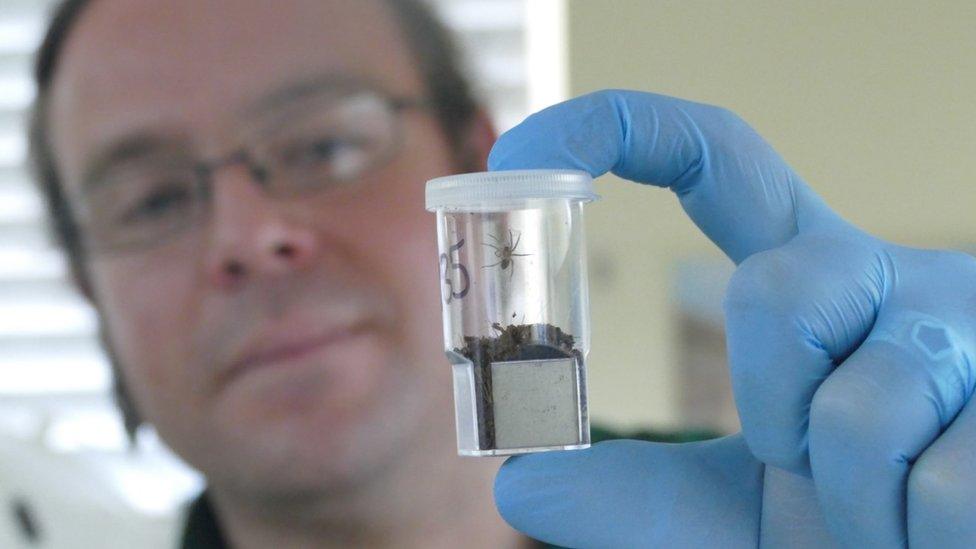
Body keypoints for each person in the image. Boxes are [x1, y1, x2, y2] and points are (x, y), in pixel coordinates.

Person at [29, 2, 975, 549]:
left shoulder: (803, 508)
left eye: (322, 141)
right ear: (84, 284)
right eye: (150, 200)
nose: (250, 235)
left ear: (486, 166)